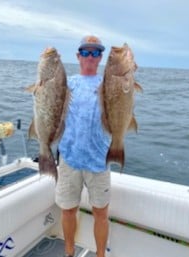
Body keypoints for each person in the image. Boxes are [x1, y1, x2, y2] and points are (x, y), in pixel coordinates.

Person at [56, 35, 111, 257]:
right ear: (78, 56)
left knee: (101, 212)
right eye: (86, 52)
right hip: (69, 158)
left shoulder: (107, 84)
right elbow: (49, 101)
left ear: (101, 57)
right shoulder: (67, 83)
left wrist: (129, 70)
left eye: (95, 52)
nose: (91, 56)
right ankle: (69, 252)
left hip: (99, 159)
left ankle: (100, 255)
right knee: (68, 210)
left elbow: (125, 90)